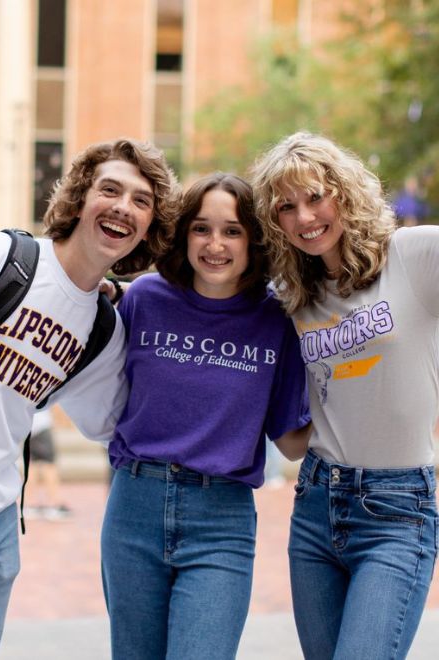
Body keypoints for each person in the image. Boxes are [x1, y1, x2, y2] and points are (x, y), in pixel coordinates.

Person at [0, 137, 179, 660]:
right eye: (110, 189)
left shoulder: (104, 330)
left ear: (148, 227)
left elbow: (116, 424)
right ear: (81, 198)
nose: (124, 206)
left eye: (142, 201)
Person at [101, 172, 311, 660]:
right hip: (134, 508)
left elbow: (291, 440)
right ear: (183, 234)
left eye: (232, 230)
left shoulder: (278, 320)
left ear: (253, 239)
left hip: (222, 520)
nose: (215, 244)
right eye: (201, 228)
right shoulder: (143, 299)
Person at [251, 131, 439, 660]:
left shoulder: (413, 255)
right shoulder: (293, 296)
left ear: (346, 193)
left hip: (398, 511)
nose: (305, 217)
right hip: (316, 502)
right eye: (286, 207)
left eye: (315, 196)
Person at [25, 409, 72, 520]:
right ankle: (54, 505)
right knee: (49, 465)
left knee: (34, 465)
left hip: (31, 426)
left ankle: (30, 505)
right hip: (41, 425)